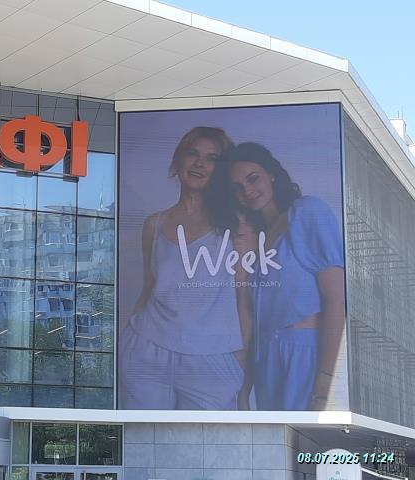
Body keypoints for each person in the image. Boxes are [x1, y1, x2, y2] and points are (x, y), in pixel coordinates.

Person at [119, 127, 253, 410]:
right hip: (147, 349)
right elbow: (148, 287)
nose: (199, 163)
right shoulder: (154, 224)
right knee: (145, 437)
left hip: (212, 357)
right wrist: (126, 338)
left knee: (208, 438)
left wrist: (243, 362)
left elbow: (244, 298)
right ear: (178, 160)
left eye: (211, 158)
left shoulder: (238, 225)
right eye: (192, 153)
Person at [226, 142, 345, 411]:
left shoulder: (307, 212)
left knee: (306, 437)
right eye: (238, 187)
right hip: (266, 361)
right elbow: (252, 323)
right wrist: (244, 390)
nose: (247, 191)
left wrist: (324, 387)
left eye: (253, 178)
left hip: (305, 353)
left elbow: (336, 301)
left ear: (271, 174)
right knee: (276, 439)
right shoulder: (257, 238)